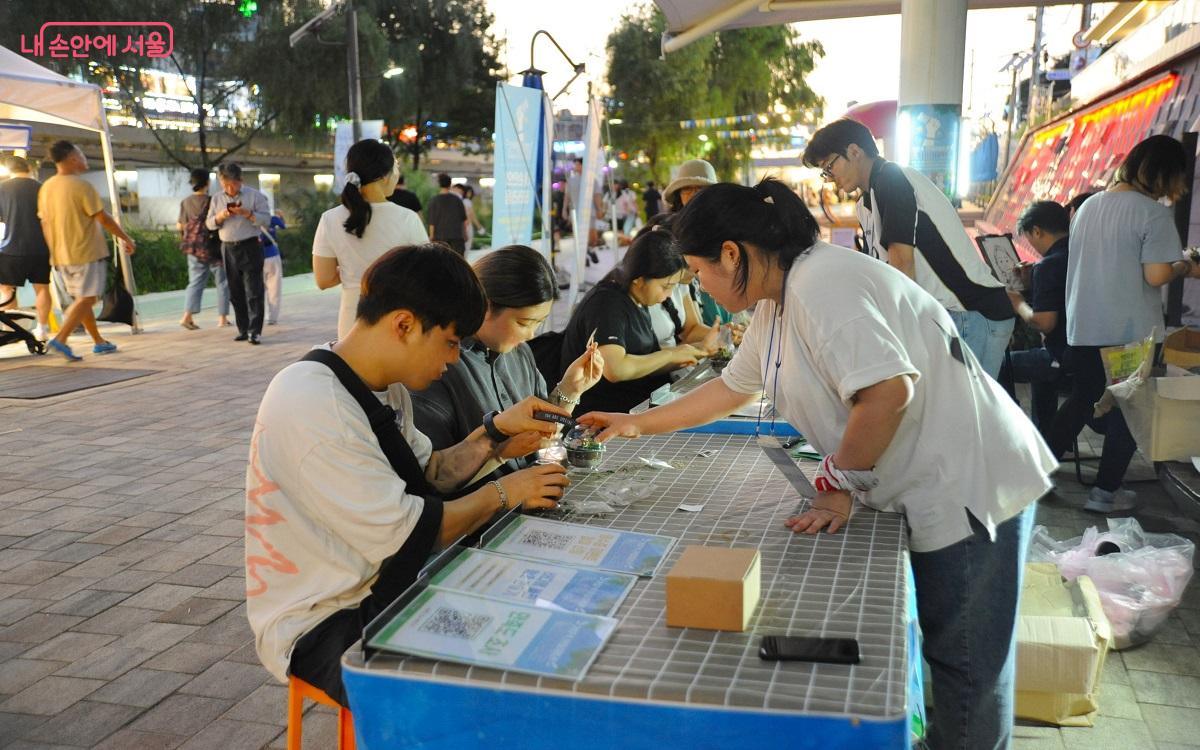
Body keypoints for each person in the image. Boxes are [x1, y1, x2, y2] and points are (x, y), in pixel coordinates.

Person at [579, 178, 1056, 750]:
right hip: (931, 479)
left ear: (732, 254)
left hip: (968, 484)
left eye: (699, 269)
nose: (698, 283)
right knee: (953, 657)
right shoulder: (778, 299)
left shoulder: (821, 282)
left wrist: (836, 483)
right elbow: (731, 388)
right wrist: (635, 423)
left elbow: (887, 392)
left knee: (966, 666)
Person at [246, 243, 570, 707]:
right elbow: (410, 536)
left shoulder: (380, 387)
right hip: (328, 618)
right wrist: (507, 491)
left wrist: (494, 435)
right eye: (452, 342)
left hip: (387, 581)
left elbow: (432, 473)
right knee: (495, 688)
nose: (457, 359)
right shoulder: (318, 404)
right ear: (404, 325)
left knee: (534, 621)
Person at [1047, 135, 1200, 513]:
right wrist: (1187, 265)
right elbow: (1156, 275)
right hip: (1129, 335)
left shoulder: (1088, 206)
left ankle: (1036, 472)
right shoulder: (1153, 214)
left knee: (1082, 401)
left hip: (1084, 326)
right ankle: (1104, 494)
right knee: (1132, 410)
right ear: (1164, 174)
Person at [804, 119, 1016, 379]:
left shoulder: (891, 180)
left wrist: (894, 338)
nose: (829, 178)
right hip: (948, 316)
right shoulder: (867, 201)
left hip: (971, 314)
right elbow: (881, 271)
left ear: (855, 151)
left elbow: (902, 265)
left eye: (829, 166)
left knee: (959, 417)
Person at [412, 245, 604, 473]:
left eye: (538, 323)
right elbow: (435, 476)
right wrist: (504, 478)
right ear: (485, 305)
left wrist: (570, 389)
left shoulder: (519, 352)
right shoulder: (439, 366)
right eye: (524, 323)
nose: (531, 334)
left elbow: (538, 436)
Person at [559, 226, 707, 414]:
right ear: (639, 279)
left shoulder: (638, 301)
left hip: (639, 406)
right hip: (606, 413)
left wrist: (688, 354)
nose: (667, 296)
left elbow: (644, 362)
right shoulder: (607, 304)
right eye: (665, 287)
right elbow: (615, 369)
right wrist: (671, 354)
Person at [313, 139, 428, 339]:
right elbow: (426, 274)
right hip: (399, 321)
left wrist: (352, 271)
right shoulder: (407, 219)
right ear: (384, 176)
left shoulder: (329, 219)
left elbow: (323, 279)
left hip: (352, 324)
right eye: (396, 167)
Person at [38, 140, 136, 361]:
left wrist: (53, 250)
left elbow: (44, 223)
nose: (84, 158)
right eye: (81, 154)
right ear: (73, 159)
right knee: (88, 298)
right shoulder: (82, 186)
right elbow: (103, 218)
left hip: (61, 255)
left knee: (81, 300)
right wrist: (126, 238)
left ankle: (98, 342)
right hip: (85, 252)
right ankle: (61, 339)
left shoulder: (47, 187)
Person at [999, 201, 1072, 436]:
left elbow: (1045, 323)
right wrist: (1031, 285)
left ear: (1037, 231)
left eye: (1029, 237)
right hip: (1084, 353)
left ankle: (1013, 432)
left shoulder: (1049, 265)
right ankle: (1047, 435)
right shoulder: (1078, 253)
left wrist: (1017, 302)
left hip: (1061, 356)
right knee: (1039, 368)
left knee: (1001, 364)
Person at [206, 162, 270, 345]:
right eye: (224, 184)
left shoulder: (255, 196)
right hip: (228, 247)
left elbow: (266, 219)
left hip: (250, 245)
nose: (228, 188)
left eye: (232, 184)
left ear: (240, 180)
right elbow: (209, 223)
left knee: (253, 289)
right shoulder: (217, 199)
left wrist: (247, 214)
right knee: (235, 290)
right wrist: (221, 216)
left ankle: (255, 330)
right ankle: (243, 328)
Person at [0, 156, 52, 341]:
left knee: (7, 289)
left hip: (11, 248)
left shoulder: (2, 188)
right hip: (40, 247)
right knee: (42, 289)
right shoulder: (42, 188)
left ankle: (13, 329)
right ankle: (43, 329)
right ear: (29, 167)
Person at [178, 168, 230, 331]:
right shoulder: (213, 200)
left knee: (195, 281)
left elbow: (180, 225)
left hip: (194, 248)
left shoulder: (185, 202)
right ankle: (222, 318)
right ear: (207, 183)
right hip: (214, 246)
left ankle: (187, 316)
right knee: (222, 282)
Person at [426, 173, 468, 255]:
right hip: (456, 237)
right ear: (450, 184)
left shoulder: (434, 201)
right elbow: (463, 220)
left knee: (441, 263)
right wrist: (465, 235)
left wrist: (431, 236)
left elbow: (432, 221)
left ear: (439, 184)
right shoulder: (457, 200)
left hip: (440, 239)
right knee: (457, 263)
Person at [262, 209, 286, 325]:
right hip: (272, 254)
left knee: (255, 290)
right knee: (274, 288)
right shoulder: (272, 218)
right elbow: (282, 226)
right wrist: (281, 217)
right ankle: (272, 317)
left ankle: (256, 316)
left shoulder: (248, 219)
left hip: (254, 256)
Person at [453, 183, 486, 250]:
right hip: (467, 226)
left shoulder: (459, 201)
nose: (469, 194)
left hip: (459, 227)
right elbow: (472, 216)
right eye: (468, 192)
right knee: (466, 247)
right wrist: (479, 227)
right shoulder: (467, 201)